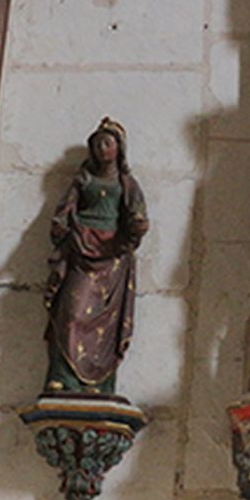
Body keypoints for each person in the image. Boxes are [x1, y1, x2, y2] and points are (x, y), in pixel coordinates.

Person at [43, 118, 149, 394]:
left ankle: (99, 383)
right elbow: (65, 210)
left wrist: (137, 226)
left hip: (111, 257)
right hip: (81, 248)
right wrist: (62, 225)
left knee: (105, 324)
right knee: (71, 311)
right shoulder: (83, 179)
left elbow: (136, 215)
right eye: (98, 143)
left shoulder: (126, 183)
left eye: (108, 143)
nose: (102, 148)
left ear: (119, 148)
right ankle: (62, 377)